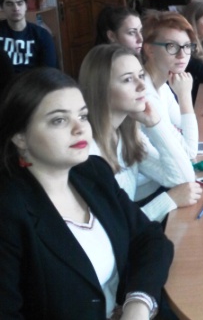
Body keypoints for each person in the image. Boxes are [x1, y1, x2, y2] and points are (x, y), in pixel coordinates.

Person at [0, 67, 174, 319]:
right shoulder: (9, 211)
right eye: (59, 120)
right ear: (20, 137)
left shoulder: (93, 172)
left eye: (82, 116)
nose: (79, 128)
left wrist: (138, 303)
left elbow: (151, 239)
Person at [80, 44, 201, 223]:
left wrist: (154, 123)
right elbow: (112, 228)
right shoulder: (87, 151)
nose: (142, 86)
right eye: (128, 79)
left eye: (141, 76)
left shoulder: (127, 134)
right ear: (100, 88)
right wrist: (168, 200)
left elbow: (183, 178)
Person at [141, 10, 199, 160]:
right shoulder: (144, 94)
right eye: (172, 46)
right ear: (149, 49)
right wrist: (185, 95)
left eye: (187, 46)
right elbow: (189, 152)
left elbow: (183, 126)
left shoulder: (162, 86)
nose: (182, 55)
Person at [0, 0, 57, 73]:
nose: (16, 8)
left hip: (33, 81)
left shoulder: (42, 35)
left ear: (26, 6)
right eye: (9, 4)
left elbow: (49, 70)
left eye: (20, 3)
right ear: (2, 7)